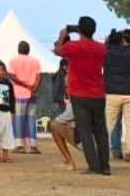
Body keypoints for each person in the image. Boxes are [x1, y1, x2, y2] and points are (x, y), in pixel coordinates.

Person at [54, 17, 110, 176]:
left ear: (79, 30)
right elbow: (105, 53)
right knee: (100, 130)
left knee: (85, 130)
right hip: (98, 94)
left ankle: (94, 166)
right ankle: (105, 166)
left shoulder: (74, 47)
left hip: (79, 94)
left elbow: (58, 51)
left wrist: (62, 36)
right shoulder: (101, 48)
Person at [105, 28, 130, 163]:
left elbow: (106, 43)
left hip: (112, 93)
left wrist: (114, 35)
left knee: (110, 125)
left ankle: (111, 150)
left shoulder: (109, 51)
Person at [6, 41, 41, 155]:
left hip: (19, 94)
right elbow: (38, 76)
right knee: (31, 120)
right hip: (32, 94)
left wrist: (25, 85)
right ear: (28, 50)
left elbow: (12, 76)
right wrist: (34, 88)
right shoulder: (35, 61)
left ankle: (19, 145)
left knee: (18, 119)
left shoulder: (13, 61)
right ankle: (33, 146)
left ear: (18, 49)